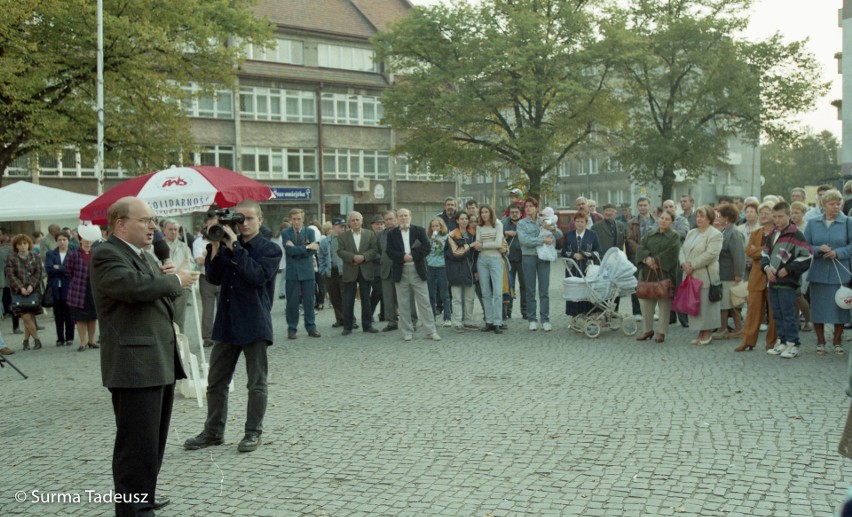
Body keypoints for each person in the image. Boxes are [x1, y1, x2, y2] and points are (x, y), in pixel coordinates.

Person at [90, 196, 198, 516]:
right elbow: (133, 288)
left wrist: (167, 276)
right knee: (135, 446)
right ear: (121, 224)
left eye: (153, 220)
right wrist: (174, 279)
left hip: (156, 359)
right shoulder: (107, 253)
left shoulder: (145, 255)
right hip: (134, 365)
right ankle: (132, 509)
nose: (153, 227)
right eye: (145, 220)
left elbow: (154, 289)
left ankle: (143, 498)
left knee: (151, 443)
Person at [184, 199, 281, 454]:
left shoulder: (270, 249)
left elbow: (257, 276)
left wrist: (235, 246)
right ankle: (213, 431)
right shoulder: (225, 245)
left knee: (256, 383)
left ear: (260, 219)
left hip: (254, 321)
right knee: (216, 381)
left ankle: (252, 432)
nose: (244, 223)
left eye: (249, 218)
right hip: (227, 321)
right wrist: (215, 245)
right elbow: (214, 278)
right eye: (240, 219)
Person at [803, 189, 852, 355]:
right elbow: (805, 246)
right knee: (818, 309)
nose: (836, 207)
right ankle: (820, 341)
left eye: (838, 204)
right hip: (819, 272)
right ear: (823, 205)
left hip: (840, 272)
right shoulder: (813, 223)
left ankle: (837, 341)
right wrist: (818, 249)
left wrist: (838, 253)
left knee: (841, 307)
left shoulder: (848, 222)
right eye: (832, 204)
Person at [763, 202, 813, 359]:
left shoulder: (796, 234)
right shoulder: (772, 233)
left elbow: (807, 256)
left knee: (788, 313)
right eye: (775, 217)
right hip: (772, 280)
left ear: (789, 215)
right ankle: (782, 341)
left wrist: (789, 269)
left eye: (781, 216)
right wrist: (766, 268)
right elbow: (764, 254)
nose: (777, 220)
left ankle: (793, 343)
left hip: (788, 281)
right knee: (777, 313)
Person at [385, 208, 441, 341]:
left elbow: (427, 247)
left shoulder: (419, 230)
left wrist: (413, 256)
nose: (403, 218)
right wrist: (402, 257)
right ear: (397, 218)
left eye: (405, 215)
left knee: (424, 302)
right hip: (401, 269)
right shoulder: (392, 234)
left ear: (410, 217)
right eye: (401, 216)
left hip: (417, 269)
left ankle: (431, 330)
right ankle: (407, 331)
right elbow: (389, 251)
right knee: (403, 303)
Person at [736, 202, 779, 352]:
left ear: (774, 215)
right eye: (761, 213)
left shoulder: (778, 233)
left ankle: (771, 342)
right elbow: (748, 251)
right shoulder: (755, 233)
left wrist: (759, 250)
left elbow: (775, 252)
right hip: (756, 276)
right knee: (752, 310)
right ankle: (748, 340)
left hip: (773, 275)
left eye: (767, 212)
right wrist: (763, 251)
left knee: (773, 311)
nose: (763, 215)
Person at [635, 209, 681, 343]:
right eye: (662, 218)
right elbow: (641, 248)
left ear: (672, 222)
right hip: (648, 273)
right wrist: (647, 259)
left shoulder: (674, 236)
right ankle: (647, 330)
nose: (663, 221)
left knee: (664, 304)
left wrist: (656, 260)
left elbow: (673, 252)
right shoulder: (650, 234)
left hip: (665, 273)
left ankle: (661, 332)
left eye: (667, 219)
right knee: (646, 303)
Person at [517, 196, 563, 331]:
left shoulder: (545, 220)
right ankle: (532, 319)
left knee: (544, 290)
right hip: (528, 257)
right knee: (530, 289)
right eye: (526, 207)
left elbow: (559, 235)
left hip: (544, 258)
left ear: (536, 208)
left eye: (531, 206)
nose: (528, 208)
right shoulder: (522, 223)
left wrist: (551, 229)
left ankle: (545, 319)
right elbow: (524, 240)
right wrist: (542, 241)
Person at [679, 206, 723, 345]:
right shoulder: (691, 232)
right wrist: (683, 263)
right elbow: (682, 250)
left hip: (705, 274)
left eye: (702, 216)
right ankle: (700, 331)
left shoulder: (715, 234)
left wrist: (692, 264)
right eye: (697, 216)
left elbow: (711, 254)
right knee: (695, 303)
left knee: (706, 304)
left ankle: (707, 332)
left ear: (709, 218)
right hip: (689, 274)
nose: (699, 219)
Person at [337, 211, 380, 335]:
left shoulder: (370, 234)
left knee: (366, 299)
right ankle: (347, 327)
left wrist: (363, 257)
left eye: (357, 220)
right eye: (353, 220)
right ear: (349, 223)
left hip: (365, 270)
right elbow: (340, 251)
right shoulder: (343, 236)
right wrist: (353, 257)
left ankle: (367, 325)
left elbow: (375, 249)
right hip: (350, 270)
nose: (355, 222)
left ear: (361, 221)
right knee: (348, 300)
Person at [281, 208, 320, 339]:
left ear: (303, 219)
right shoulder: (285, 233)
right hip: (292, 272)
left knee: (309, 300)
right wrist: (306, 247)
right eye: (294, 219)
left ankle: (311, 327)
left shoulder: (310, 232)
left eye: (298, 219)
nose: (296, 222)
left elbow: (313, 251)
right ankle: (292, 328)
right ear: (290, 219)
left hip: (307, 271)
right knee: (292, 302)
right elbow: (289, 251)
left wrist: (301, 248)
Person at [712, 204, 746, 340]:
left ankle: (733, 328)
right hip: (724, 274)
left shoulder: (734, 233)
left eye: (720, 216)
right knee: (726, 303)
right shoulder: (726, 231)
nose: (718, 219)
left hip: (731, 274)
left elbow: (738, 255)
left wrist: (738, 273)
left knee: (732, 303)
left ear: (726, 218)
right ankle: (728, 327)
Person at [5, 234, 43, 350]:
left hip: (33, 290)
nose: (23, 246)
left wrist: (31, 285)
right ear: (16, 246)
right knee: (25, 317)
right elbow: (11, 275)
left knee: (30, 317)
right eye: (20, 244)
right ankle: (37, 340)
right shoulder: (11, 258)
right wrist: (21, 287)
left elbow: (38, 272)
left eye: (25, 243)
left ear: (29, 244)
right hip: (18, 292)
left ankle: (26, 341)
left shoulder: (35, 256)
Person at [66, 226, 101, 352]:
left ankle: (91, 341)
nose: (87, 242)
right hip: (78, 290)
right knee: (80, 318)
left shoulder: (96, 254)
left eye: (89, 240)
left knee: (92, 317)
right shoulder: (73, 255)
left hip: (93, 289)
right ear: (80, 240)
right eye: (85, 239)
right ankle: (82, 342)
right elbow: (68, 272)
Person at [562, 211, 601, 321]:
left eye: (582, 221)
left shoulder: (592, 234)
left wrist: (585, 255)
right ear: (574, 222)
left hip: (587, 268)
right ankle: (574, 315)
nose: (579, 224)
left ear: (586, 223)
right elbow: (563, 251)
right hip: (572, 269)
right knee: (574, 290)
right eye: (577, 221)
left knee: (587, 289)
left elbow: (598, 251)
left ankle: (588, 314)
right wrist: (573, 255)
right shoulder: (569, 235)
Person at [473, 204, 505, 334]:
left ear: (491, 213)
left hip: (495, 259)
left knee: (497, 292)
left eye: (486, 212)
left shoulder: (498, 225)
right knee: (485, 292)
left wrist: (484, 245)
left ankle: (498, 322)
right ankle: (489, 321)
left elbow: (498, 243)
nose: (484, 214)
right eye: (482, 213)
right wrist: (484, 245)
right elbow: (477, 246)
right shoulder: (479, 227)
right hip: (482, 261)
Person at [446, 212, 478, 333]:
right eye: (462, 219)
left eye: (466, 218)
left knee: (470, 298)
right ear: (457, 221)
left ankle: (468, 321)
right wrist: (470, 245)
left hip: (470, 270)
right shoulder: (452, 235)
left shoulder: (473, 234)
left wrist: (475, 270)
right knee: (457, 298)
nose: (464, 221)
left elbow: (477, 255)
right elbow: (456, 253)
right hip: (456, 270)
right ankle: (457, 322)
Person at [161, 219, 194, 333]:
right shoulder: (158, 247)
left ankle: (180, 347)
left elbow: (191, 265)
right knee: (165, 319)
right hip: (164, 286)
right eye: (170, 229)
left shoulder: (184, 247)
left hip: (181, 286)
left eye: (175, 229)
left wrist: (181, 272)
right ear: (164, 230)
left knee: (179, 320)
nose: (173, 232)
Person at [193, 211, 220, 348]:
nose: (214, 225)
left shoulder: (223, 238)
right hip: (207, 278)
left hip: (222, 278)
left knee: (224, 308)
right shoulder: (199, 241)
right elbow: (199, 261)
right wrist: (214, 256)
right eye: (211, 222)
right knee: (208, 310)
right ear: (206, 224)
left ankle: (223, 334)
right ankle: (208, 337)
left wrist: (208, 256)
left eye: (216, 222)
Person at [627, 197, 656, 319]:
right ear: (637, 207)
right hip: (637, 257)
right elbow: (630, 240)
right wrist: (642, 253)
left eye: (645, 205)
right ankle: (637, 312)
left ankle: (652, 312)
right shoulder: (631, 223)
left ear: (649, 206)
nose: (643, 207)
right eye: (640, 205)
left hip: (653, 257)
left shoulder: (657, 221)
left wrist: (652, 254)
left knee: (652, 284)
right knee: (636, 284)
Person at [45, 230, 74, 347]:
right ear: (56, 241)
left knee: (69, 314)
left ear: (68, 241)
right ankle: (60, 338)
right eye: (59, 240)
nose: (62, 242)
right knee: (58, 314)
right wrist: (64, 268)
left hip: (69, 287)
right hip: (56, 287)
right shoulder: (50, 254)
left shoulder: (73, 254)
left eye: (64, 240)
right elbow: (49, 269)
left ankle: (70, 337)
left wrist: (59, 267)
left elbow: (72, 270)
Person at [318, 219, 346, 328]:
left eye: (344, 226)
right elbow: (321, 256)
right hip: (330, 272)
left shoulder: (345, 240)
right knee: (334, 297)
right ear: (334, 227)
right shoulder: (325, 241)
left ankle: (349, 319)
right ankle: (339, 319)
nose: (343, 228)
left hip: (343, 271)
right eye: (340, 226)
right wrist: (323, 271)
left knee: (345, 297)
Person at [426, 217, 452, 328]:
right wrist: (431, 241)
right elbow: (425, 251)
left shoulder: (446, 237)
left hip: (442, 267)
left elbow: (447, 251)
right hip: (430, 267)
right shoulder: (428, 238)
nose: (434, 228)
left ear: (441, 227)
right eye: (433, 226)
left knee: (444, 294)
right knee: (431, 294)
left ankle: (447, 318)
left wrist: (442, 243)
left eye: (437, 226)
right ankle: (432, 318)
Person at [502, 203, 526, 320]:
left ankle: (525, 311)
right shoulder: (504, 223)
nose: (514, 214)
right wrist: (506, 233)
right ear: (509, 213)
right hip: (509, 259)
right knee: (509, 286)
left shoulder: (525, 223)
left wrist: (518, 234)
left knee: (524, 286)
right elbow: (498, 235)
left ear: (521, 214)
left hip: (523, 259)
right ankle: (508, 310)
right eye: (512, 212)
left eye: (516, 212)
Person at [378, 210, 400, 331]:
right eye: (386, 219)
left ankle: (409, 321)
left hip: (401, 268)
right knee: (388, 297)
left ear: (396, 219)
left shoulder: (402, 232)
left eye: (391, 219)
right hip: (386, 269)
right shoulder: (380, 235)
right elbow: (377, 250)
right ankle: (392, 322)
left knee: (403, 297)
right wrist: (381, 260)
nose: (388, 221)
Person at [369, 214, 385, 318]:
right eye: (377, 224)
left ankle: (384, 314)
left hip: (386, 269)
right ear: (372, 225)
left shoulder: (386, 235)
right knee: (377, 292)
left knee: (386, 293)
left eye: (381, 224)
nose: (379, 226)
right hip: (374, 269)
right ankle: (369, 314)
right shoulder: (369, 237)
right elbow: (371, 252)